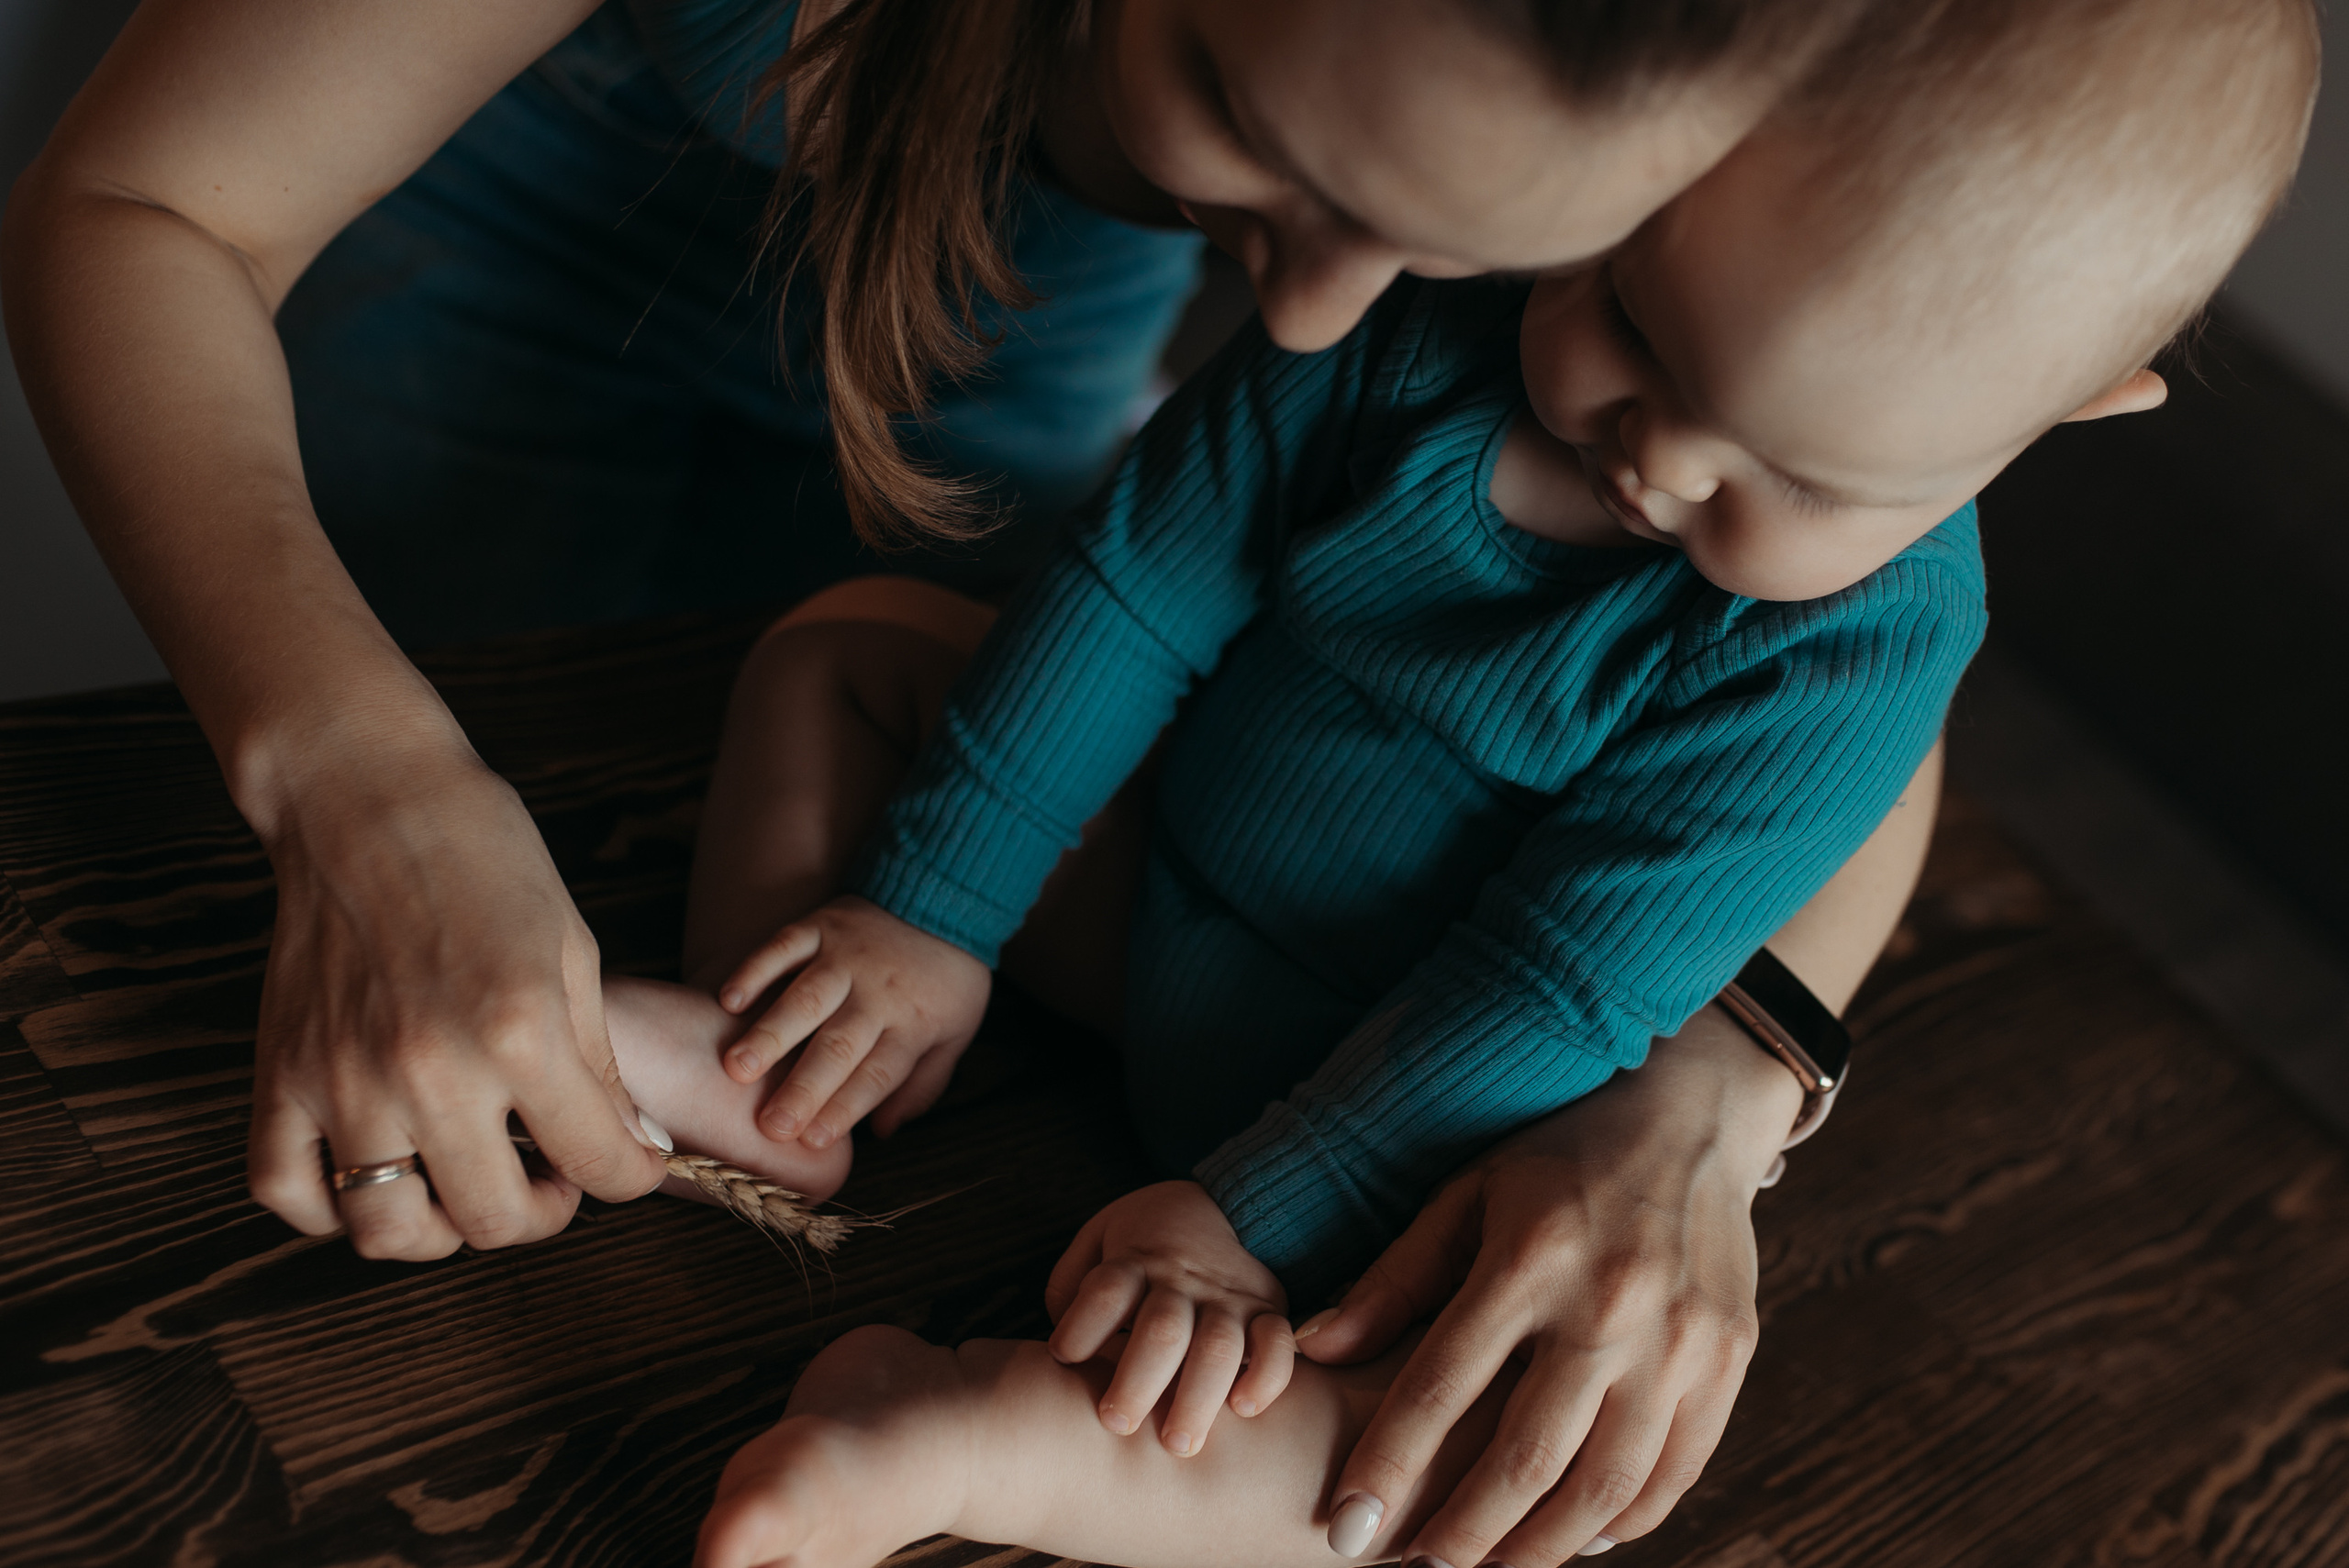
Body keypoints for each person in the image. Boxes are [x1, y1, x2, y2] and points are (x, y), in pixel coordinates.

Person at [595, 0, 2317, 1561]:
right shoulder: (1417, 315)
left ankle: (986, 1445)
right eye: (1640, 324)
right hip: (1148, 898)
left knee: (1479, 1463)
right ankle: (793, 1065)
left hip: (1414, 1105)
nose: (1659, 461)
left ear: (2063, 415)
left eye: (1797, 474)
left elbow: (1559, 981)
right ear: (1639, 181)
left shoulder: (1865, 647)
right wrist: (930, 911)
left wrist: (1249, 1220)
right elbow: (1135, 585)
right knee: (848, 651)